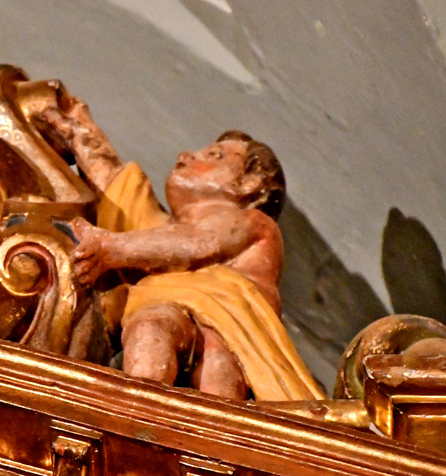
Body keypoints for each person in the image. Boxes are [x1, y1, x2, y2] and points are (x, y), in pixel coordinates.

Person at [42, 87, 323, 400]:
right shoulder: (158, 234)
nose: (187, 155)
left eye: (214, 156)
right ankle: (138, 410)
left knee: (219, 362)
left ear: (248, 184)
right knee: (150, 326)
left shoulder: (251, 221)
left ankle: (208, 424)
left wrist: (111, 248)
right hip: (165, 308)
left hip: (229, 326)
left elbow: (199, 242)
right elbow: (120, 192)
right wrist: (80, 130)